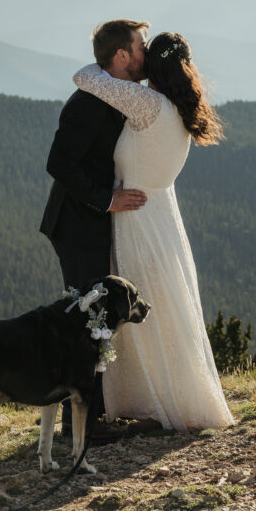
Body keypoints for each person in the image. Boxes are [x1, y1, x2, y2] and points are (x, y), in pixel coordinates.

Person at [72, 31, 234, 431]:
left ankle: (147, 401)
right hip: (163, 216)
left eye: (146, 54)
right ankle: (170, 396)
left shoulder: (148, 104)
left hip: (137, 218)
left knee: (139, 307)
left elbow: (84, 77)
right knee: (164, 307)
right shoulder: (182, 109)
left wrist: (113, 60)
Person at [40, 19, 150, 435]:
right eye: (140, 47)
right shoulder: (88, 101)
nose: (145, 53)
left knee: (94, 315)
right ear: (121, 56)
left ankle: (89, 416)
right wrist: (106, 200)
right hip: (77, 224)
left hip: (89, 222)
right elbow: (59, 163)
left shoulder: (116, 94)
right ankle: (83, 425)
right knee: (89, 319)